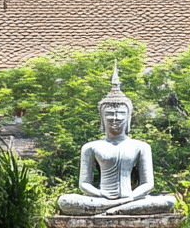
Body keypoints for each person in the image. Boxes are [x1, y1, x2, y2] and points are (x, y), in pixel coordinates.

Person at [57, 65, 176, 216]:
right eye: (109, 114)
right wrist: (100, 195)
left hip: (131, 198)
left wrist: (132, 196)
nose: (115, 118)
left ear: (129, 117)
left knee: (168, 201)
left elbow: (148, 184)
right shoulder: (91, 147)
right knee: (65, 200)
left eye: (121, 113)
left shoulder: (140, 146)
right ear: (102, 117)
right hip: (102, 199)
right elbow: (84, 183)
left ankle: (118, 208)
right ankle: (118, 208)